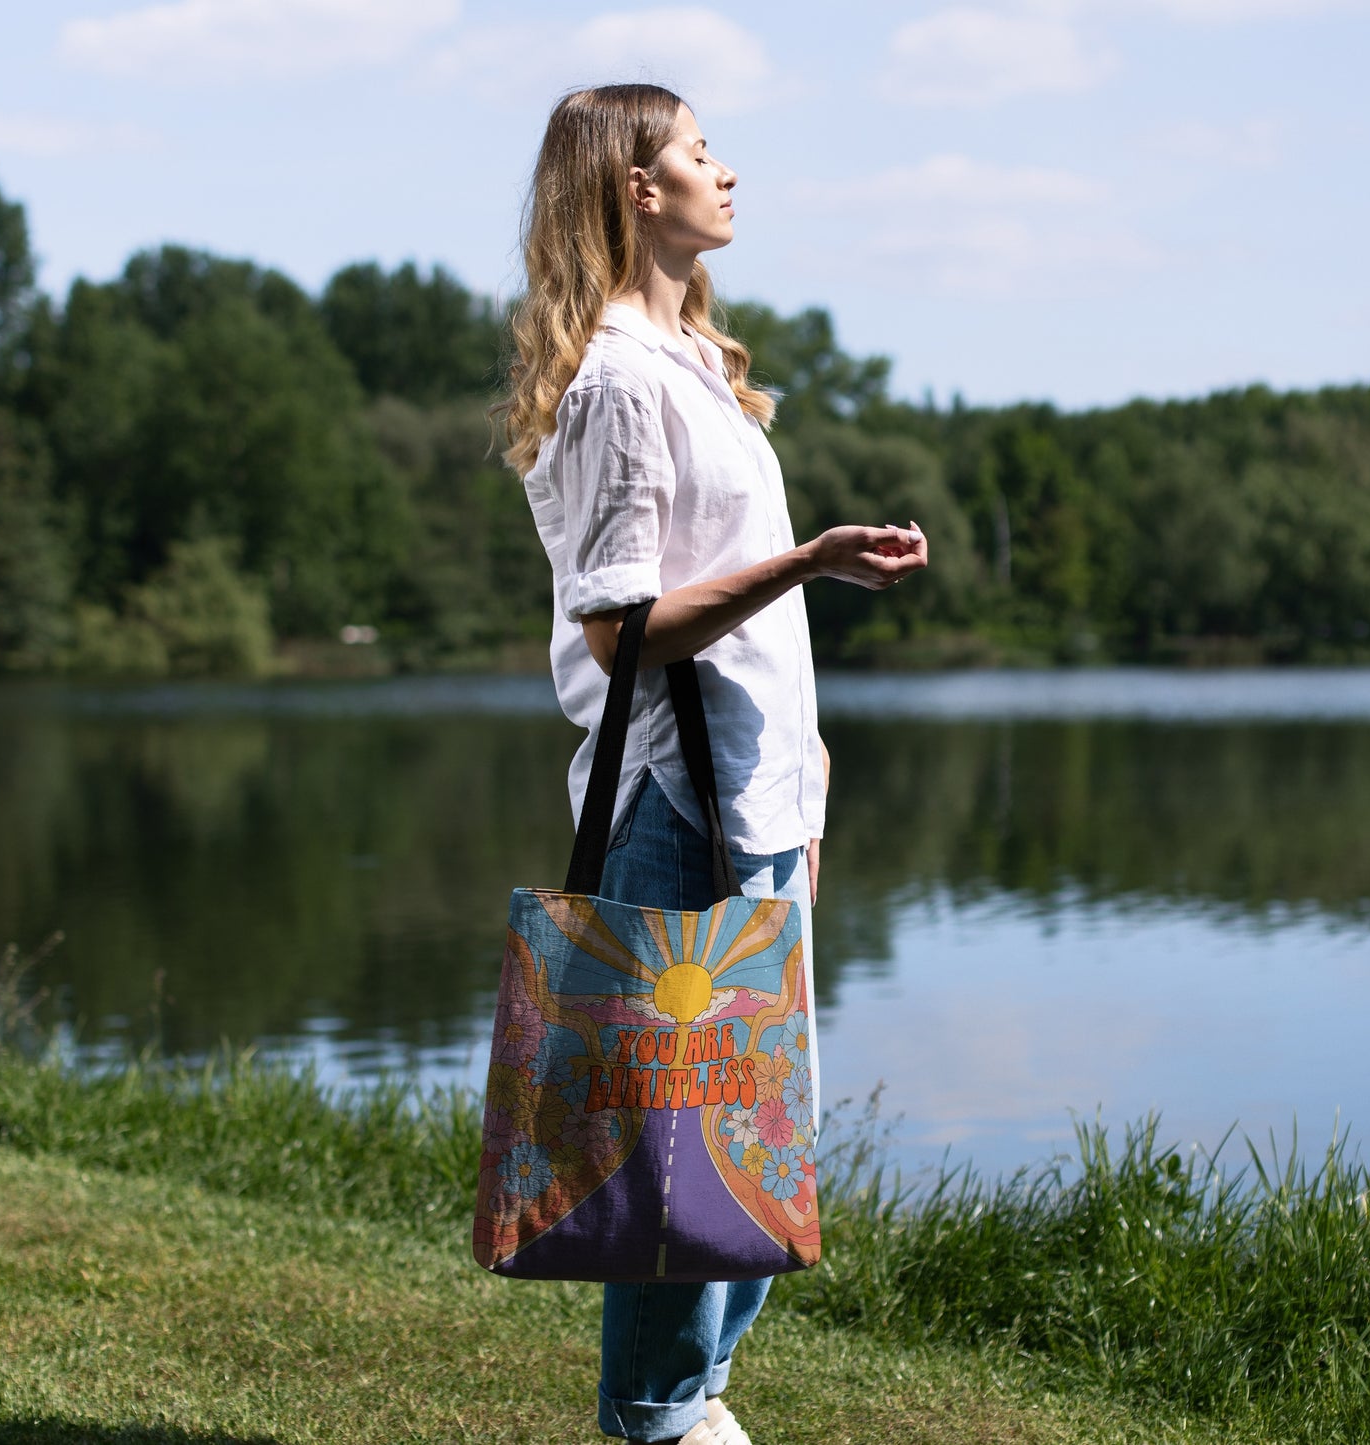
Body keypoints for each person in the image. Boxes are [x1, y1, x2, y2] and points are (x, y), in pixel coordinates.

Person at [495, 82, 928, 1445]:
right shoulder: (620, 380)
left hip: (749, 806)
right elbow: (623, 629)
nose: (724, 172)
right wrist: (804, 558)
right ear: (636, 186)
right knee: (685, 1145)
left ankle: (682, 1402)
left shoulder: (690, 366)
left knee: (748, 1135)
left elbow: (745, 644)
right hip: (676, 811)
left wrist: (799, 787)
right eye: (697, 154)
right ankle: (661, 1412)